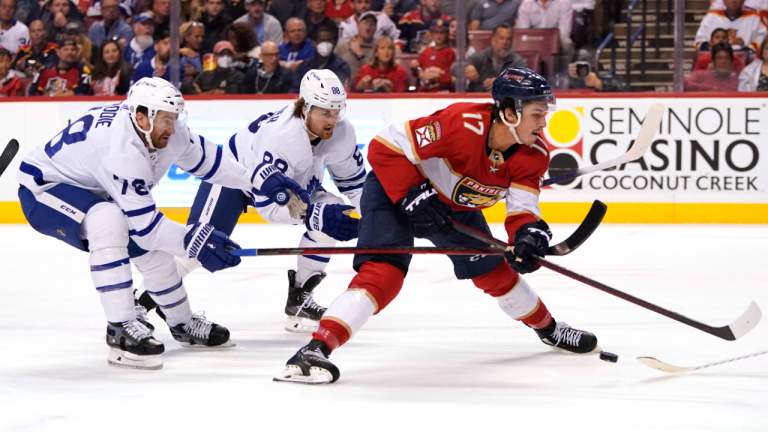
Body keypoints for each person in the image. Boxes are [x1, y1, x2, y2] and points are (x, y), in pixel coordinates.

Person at [274, 68, 599, 385]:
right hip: (394, 192)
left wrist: (528, 235)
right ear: (510, 112)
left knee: (496, 273)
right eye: (537, 113)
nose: (544, 122)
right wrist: (412, 193)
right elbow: (383, 148)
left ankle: (550, 330)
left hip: (455, 207)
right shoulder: (460, 124)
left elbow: (522, 207)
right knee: (383, 274)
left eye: (546, 113)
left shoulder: (535, 153)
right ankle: (315, 349)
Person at [16, 77, 307, 369]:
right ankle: (120, 328)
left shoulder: (164, 128)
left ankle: (182, 323)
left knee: (152, 253)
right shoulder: (121, 150)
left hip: (97, 187)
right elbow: (148, 228)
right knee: (108, 221)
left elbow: (212, 161)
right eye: (166, 120)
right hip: (44, 191)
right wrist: (199, 240)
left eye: (174, 118)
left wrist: (258, 180)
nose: (173, 127)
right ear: (141, 117)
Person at [148, 69, 364, 334]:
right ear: (305, 108)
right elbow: (270, 207)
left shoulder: (343, 132)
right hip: (234, 177)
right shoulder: (282, 138)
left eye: (337, 111)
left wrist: (375, 222)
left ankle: (299, 302)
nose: (333, 120)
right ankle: (142, 302)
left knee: (332, 213)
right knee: (200, 246)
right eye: (325, 113)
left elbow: (355, 185)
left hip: (291, 184)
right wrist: (314, 214)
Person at [451, 23, 527, 93]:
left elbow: (528, 81)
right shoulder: (481, 57)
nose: (505, 42)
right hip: (478, 100)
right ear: (493, 40)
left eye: (509, 39)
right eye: (501, 38)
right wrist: (465, 68)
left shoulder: (518, 62)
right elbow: (454, 67)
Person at [291, 25, 351, 91]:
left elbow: (340, 88)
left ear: (334, 43)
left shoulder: (341, 66)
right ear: (314, 43)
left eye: (328, 41)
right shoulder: (304, 66)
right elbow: (295, 89)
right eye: (321, 41)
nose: (325, 44)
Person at [695, 0, 767, 52]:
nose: (733, 1)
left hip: (746, 64)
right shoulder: (711, 16)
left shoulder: (755, 18)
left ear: (744, 1)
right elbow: (698, 41)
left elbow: (762, 41)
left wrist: (746, 50)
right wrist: (709, 46)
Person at [412, 17, 454, 92]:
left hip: (442, 90)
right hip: (425, 90)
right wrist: (414, 68)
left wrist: (438, 76)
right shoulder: (425, 52)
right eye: (436, 32)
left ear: (447, 34)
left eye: (442, 32)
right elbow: (419, 74)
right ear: (431, 34)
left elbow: (453, 77)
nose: (439, 35)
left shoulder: (450, 52)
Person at [335, 11, 375, 82]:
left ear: (375, 28)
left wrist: (360, 54)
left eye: (373, 23)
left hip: (367, 89)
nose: (369, 24)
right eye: (365, 21)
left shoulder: (378, 48)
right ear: (358, 26)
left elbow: (374, 74)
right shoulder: (342, 45)